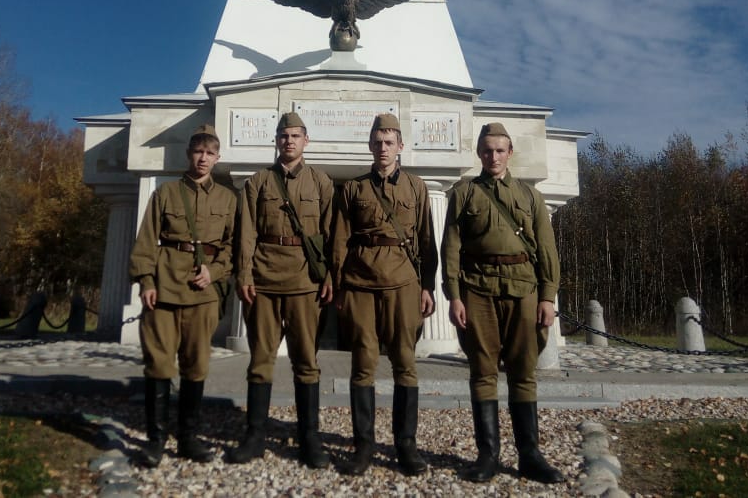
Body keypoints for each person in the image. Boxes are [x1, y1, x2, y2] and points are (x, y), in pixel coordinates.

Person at [441, 122, 564, 484]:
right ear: (479, 153)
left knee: (523, 371)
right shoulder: (464, 193)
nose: (493, 157)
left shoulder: (530, 196)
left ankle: (530, 455)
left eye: (499, 150)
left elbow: (546, 248)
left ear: (510, 153)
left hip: (523, 288)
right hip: (477, 288)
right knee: (482, 371)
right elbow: (451, 246)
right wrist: (454, 295)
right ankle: (488, 455)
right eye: (486, 150)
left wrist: (548, 296)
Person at [331, 113, 438, 476]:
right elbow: (340, 240)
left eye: (389, 142)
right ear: (370, 146)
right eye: (377, 142)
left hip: (404, 283)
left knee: (405, 363)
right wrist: (339, 284)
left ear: (400, 146)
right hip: (360, 282)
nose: (383, 148)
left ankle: (406, 446)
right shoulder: (353, 188)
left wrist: (427, 285)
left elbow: (426, 239)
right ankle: (363, 446)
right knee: (362, 364)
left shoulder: (416, 187)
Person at [227, 112, 334, 469]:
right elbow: (246, 232)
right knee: (261, 361)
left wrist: (329, 276)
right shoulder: (258, 182)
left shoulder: (321, 182)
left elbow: (331, 234)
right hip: (264, 281)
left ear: (306, 140)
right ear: (276, 140)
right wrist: (244, 274)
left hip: (305, 283)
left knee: (307, 363)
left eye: (295, 135)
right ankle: (254, 436)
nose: (289, 141)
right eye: (283, 135)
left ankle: (310, 438)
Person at [127, 124, 236, 468]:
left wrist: (215, 272)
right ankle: (156, 440)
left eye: (210, 153)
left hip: (203, 293)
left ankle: (188, 438)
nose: (203, 158)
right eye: (198, 151)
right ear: (189, 154)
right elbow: (147, 239)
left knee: (196, 366)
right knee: (159, 364)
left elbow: (233, 247)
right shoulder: (167, 193)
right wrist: (146, 281)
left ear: (218, 158)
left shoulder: (228, 199)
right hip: (164, 289)